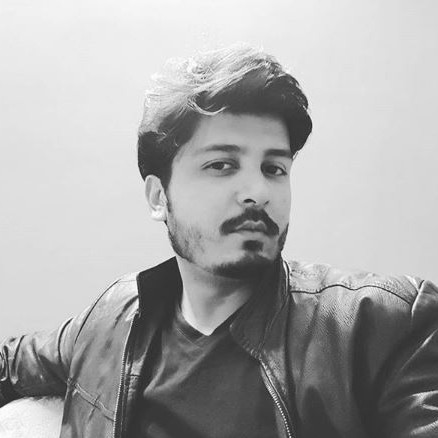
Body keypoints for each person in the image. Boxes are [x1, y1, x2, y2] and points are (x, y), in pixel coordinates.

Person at [1, 44, 437, 438]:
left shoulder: (380, 327)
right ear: (159, 197)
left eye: (274, 169)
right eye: (222, 165)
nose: (258, 192)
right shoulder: (110, 322)